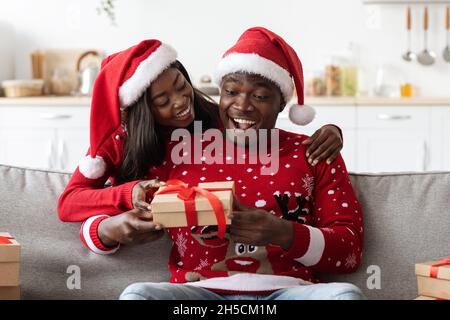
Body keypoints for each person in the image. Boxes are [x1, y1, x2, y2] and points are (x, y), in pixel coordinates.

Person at [118, 27, 365, 300]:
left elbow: (349, 251)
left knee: (345, 295)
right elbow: (109, 200)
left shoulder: (313, 152)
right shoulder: (177, 148)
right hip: (199, 294)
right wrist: (104, 230)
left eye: (259, 96)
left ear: (281, 103)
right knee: (138, 295)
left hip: (290, 292)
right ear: (220, 95)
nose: (242, 105)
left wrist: (284, 233)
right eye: (231, 91)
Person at [57, 39, 344, 253]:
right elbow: (70, 203)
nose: (182, 102)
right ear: (140, 111)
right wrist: (127, 195)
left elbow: (256, 131)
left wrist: (333, 130)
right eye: (163, 101)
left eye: (182, 87)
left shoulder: (208, 118)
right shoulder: (119, 142)